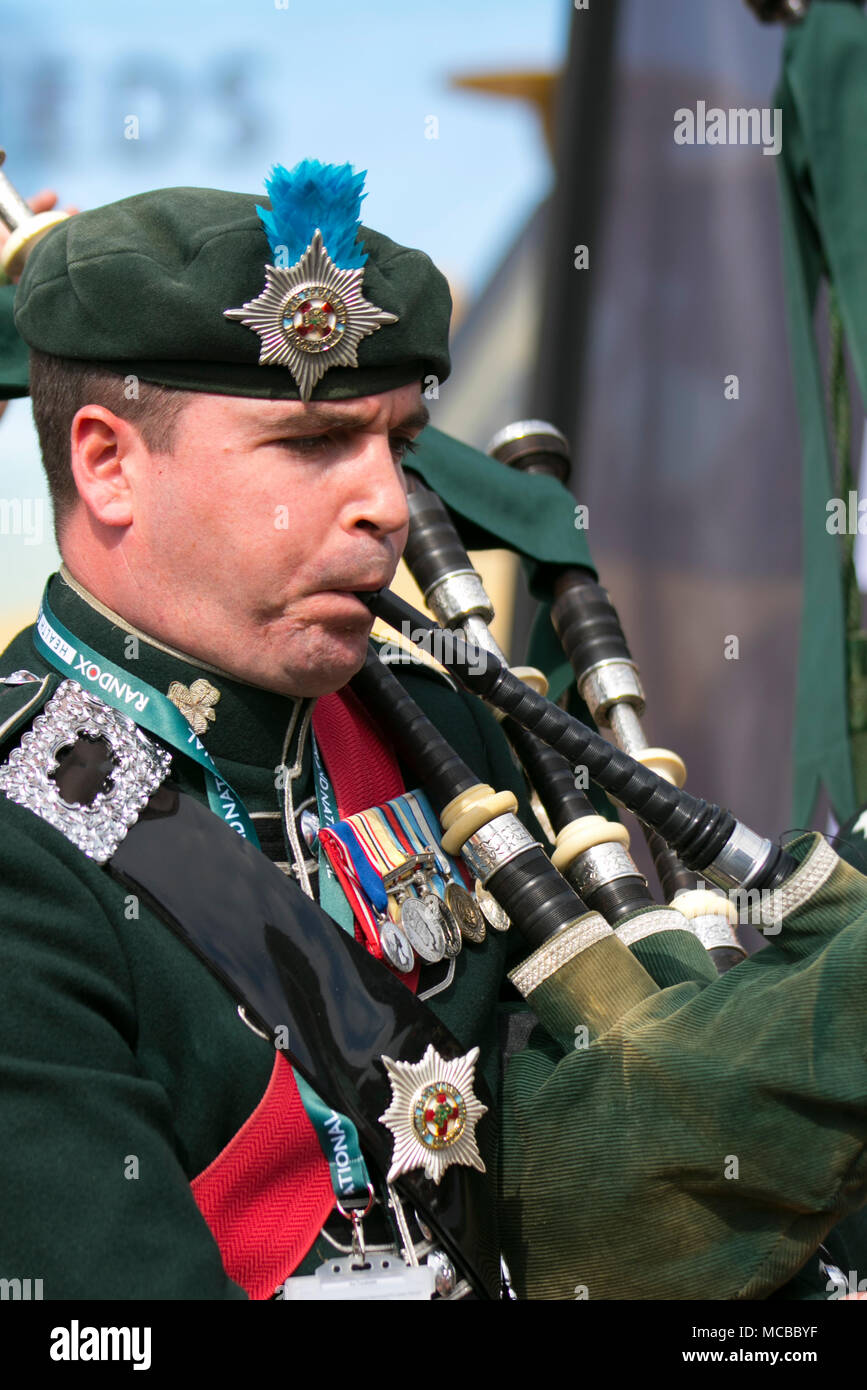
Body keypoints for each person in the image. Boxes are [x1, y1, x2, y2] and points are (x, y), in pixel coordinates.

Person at [2, 158, 867, 1302]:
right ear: (110, 464)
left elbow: (561, 1159)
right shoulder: (27, 849)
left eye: (398, 440)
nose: (389, 503)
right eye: (313, 443)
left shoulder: (434, 720)